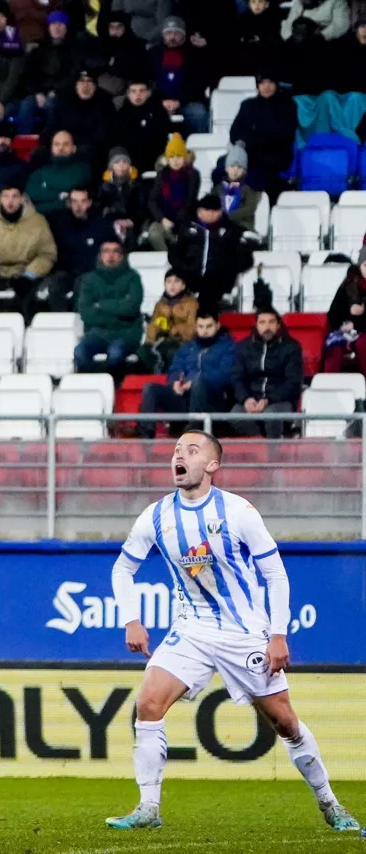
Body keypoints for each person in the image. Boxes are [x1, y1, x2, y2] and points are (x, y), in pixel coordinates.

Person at [105, 430, 360, 834]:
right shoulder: (156, 516)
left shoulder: (239, 512)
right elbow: (123, 568)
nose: (179, 456)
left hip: (243, 633)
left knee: (285, 723)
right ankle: (148, 807)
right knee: (148, 704)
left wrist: (278, 634)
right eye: (176, 450)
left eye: (192, 450)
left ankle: (331, 803)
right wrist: (131, 619)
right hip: (191, 629)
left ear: (212, 465)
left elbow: (275, 574)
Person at [137, 310, 236, 439]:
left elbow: (225, 375)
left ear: (217, 326)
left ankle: (193, 430)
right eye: (201, 326)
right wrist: (175, 382)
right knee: (150, 388)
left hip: (213, 399)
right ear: (196, 327)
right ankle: (145, 437)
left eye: (209, 326)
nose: (204, 331)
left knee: (199, 381)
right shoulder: (187, 348)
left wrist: (195, 382)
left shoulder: (229, 347)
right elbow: (175, 369)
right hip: (185, 397)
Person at [0, 184, 58, 316]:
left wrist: (29, 275)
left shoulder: (38, 221)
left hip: (26, 274)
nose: (10, 201)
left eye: (14, 196)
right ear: (0, 198)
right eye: (6, 196)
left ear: (22, 199)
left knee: (31, 300)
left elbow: (47, 254)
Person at [168, 195, 253, 313]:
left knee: (207, 304)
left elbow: (246, 259)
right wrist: (184, 269)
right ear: (199, 211)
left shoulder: (232, 230)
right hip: (190, 279)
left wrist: (228, 270)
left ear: (220, 212)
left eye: (215, 210)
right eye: (207, 210)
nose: (211, 214)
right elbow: (174, 253)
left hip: (217, 283)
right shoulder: (186, 228)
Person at [229, 309, 303, 439]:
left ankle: (273, 449)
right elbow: (237, 378)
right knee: (235, 416)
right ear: (256, 325)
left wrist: (268, 399)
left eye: (271, 322)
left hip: (280, 400)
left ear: (278, 325)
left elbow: (293, 382)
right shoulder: (243, 347)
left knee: (271, 416)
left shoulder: (291, 347)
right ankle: (260, 442)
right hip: (252, 398)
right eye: (262, 322)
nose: (267, 327)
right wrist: (246, 399)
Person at [73, 238, 143, 372]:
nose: (110, 256)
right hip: (97, 333)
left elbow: (131, 308)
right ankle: (93, 382)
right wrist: (119, 309)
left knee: (116, 354)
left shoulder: (133, 278)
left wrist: (101, 305)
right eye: (106, 251)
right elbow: (86, 313)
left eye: (115, 251)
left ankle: (115, 383)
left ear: (122, 256)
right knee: (80, 352)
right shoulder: (88, 279)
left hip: (126, 333)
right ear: (100, 255)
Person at [44, 186, 116, 311]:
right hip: (67, 272)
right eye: (74, 201)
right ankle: (62, 320)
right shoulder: (59, 225)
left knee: (81, 285)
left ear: (89, 203)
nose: (78, 206)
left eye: (83, 201)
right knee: (54, 285)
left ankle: (80, 319)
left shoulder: (101, 225)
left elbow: (113, 250)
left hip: (93, 272)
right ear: (69, 203)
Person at [229, 70, 297, 194]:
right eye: (262, 83)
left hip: (276, 153)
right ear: (257, 86)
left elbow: (286, 133)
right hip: (249, 152)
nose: (266, 87)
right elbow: (234, 133)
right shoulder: (247, 105)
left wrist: (256, 135)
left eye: (270, 82)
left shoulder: (287, 105)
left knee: (261, 172)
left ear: (276, 84)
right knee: (223, 166)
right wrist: (254, 139)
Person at [146, 17, 209, 135]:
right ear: (163, 35)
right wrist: (160, 101)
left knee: (199, 113)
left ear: (184, 36)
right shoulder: (153, 54)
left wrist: (179, 101)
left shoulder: (194, 54)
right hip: (159, 101)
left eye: (177, 34)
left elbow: (199, 84)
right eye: (169, 33)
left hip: (187, 102)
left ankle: (196, 145)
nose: (172, 37)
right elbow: (148, 81)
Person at [146, 135, 201, 251]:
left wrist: (175, 222)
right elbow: (152, 201)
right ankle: (167, 257)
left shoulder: (193, 174)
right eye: (172, 157)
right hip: (164, 219)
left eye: (179, 156)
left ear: (184, 157)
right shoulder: (162, 174)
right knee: (154, 233)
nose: (175, 161)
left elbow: (190, 201)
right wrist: (162, 219)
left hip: (185, 220)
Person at [137, 270, 198, 373]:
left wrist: (176, 328)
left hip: (183, 342)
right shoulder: (160, 304)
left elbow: (193, 329)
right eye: (169, 281)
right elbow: (152, 327)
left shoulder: (192, 304)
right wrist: (157, 327)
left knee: (171, 352)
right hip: (163, 340)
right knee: (144, 351)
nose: (172, 285)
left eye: (176, 281)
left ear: (183, 286)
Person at [110, 79, 171, 176]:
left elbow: (162, 137)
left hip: (156, 156)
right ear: (128, 94)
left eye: (141, 91)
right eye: (133, 91)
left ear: (148, 93)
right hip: (131, 159)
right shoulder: (122, 115)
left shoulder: (159, 112)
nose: (137, 95)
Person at [26, 130, 90, 216]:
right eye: (56, 144)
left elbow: (78, 201)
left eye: (66, 144)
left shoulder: (83, 171)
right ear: (51, 148)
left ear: (74, 148)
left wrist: (46, 194)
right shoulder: (40, 172)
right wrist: (61, 196)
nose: (61, 148)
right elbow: (32, 195)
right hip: (40, 220)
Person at [323, 248, 366, 373]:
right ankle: (328, 382)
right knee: (334, 346)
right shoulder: (348, 285)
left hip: (363, 333)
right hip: (347, 332)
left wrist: (356, 323)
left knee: (363, 344)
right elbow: (333, 315)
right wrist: (347, 315)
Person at [97, 147, 149, 247]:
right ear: (111, 166)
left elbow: (143, 208)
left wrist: (131, 221)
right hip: (111, 224)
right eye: (117, 162)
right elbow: (99, 209)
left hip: (133, 226)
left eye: (124, 162)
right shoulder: (104, 187)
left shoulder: (138, 185)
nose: (121, 165)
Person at [214, 144, 261, 233]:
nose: (235, 170)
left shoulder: (249, 189)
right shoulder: (218, 188)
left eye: (239, 167)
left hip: (242, 226)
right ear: (226, 168)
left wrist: (227, 216)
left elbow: (249, 209)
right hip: (220, 225)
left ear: (244, 171)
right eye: (232, 166)